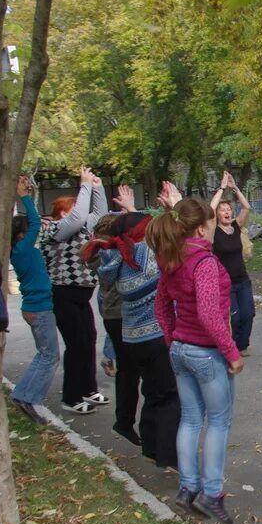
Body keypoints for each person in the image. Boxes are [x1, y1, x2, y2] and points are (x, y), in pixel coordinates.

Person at [148, 193, 244, 524]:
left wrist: (174, 338)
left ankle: (188, 488)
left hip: (181, 351)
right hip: (206, 353)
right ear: (202, 230)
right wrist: (232, 353)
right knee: (219, 421)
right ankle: (212, 493)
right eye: (212, 222)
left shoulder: (172, 258)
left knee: (190, 419)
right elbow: (208, 313)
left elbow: (161, 306)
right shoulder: (203, 263)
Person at [90, 184, 181, 469]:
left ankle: (152, 446)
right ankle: (168, 454)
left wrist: (131, 212)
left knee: (153, 392)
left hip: (132, 338)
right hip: (155, 336)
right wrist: (174, 208)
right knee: (169, 395)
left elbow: (148, 231)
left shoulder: (117, 257)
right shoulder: (148, 258)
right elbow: (178, 234)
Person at [41, 166, 109, 414]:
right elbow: (78, 217)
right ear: (60, 212)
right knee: (76, 344)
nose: (76, 211)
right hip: (63, 293)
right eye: (70, 208)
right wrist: (84, 186)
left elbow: (99, 217)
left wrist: (97, 186)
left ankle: (89, 389)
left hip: (83, 293)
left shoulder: (81, 228)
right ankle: (71, 397)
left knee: (89, 339)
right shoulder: (53, 230)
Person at [9, 176, 59, 424]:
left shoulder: (19, 250)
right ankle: (29, 397)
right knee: (50, 356)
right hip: (39, 309)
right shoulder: (24, 249)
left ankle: (22, 394)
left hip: (34, 307)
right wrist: (24, 196)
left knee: (44, 354)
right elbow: (36, 222)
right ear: (21, 234)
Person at [89, 213, 141, 445]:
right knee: (133, 370)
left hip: (112, 314)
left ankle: (124, 420)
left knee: (128, 371)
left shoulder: (97, 251)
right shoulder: (115, 254)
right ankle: (125, 421)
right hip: (123, 314)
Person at [210, 171, 255, 357]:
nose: (227, 211)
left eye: (228, 208)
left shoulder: (236, 227)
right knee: (234, 319)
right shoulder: (212, 230)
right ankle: (232, 347)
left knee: (248, 314)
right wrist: (221, 187)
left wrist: (234, 187)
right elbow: (208, 210)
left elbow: (246, 207)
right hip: (225, 283)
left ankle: (242, 346)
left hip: (243, 280)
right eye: (222, 209)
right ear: (217, 214)